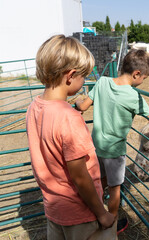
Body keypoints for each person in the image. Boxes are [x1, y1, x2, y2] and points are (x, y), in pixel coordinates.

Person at [26, 34, 116, 240]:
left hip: (54, 208)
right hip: (80, 213)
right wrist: (102, 213)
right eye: (83, 76)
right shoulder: (68, 117)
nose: (84, 81)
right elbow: (80, 176)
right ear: (70, 75)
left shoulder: (34, 107)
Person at [75, 49, 149, 235]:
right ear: (136, 74)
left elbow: (83, 106)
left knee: (99, 182)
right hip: (115, 151)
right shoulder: (134, 97)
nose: (142, 82)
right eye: (144, 79)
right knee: (115, 188)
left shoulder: (102, 82)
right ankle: (112, 223)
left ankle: (96, 215)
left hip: (96, 147)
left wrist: (77, 102)